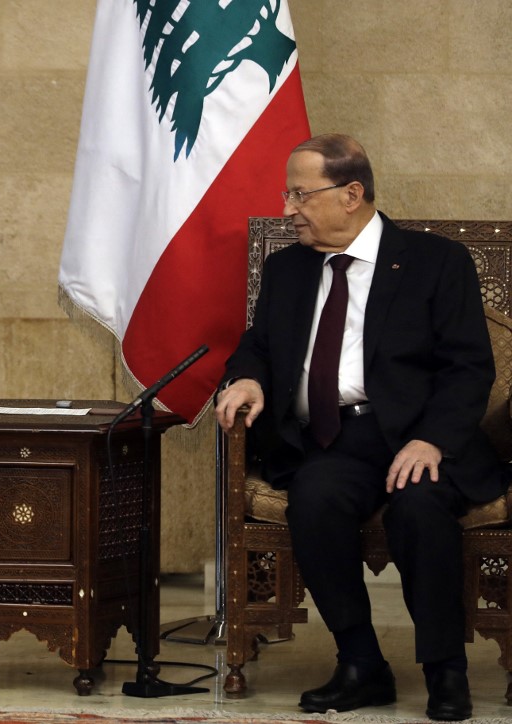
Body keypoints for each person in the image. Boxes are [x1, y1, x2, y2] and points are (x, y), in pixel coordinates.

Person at [215, 133, 507, 722]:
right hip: (330, 438)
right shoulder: (288, 269)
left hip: (420, 438)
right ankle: (360, 663)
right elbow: (258, 346)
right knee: (314, 501)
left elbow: (470, 366)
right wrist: (246, 379)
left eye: (301, 195)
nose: (288, 208)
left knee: (419, 510)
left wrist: (432, 439)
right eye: (287, 194)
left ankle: (445, 670)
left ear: (351, 194)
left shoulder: (435, 262)